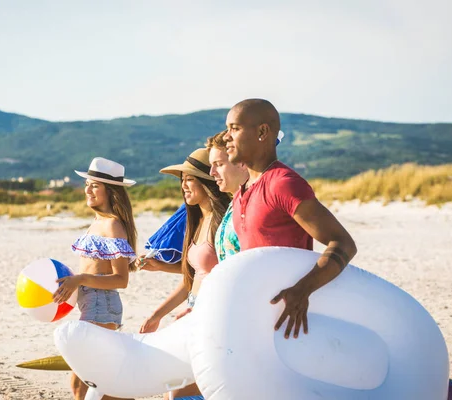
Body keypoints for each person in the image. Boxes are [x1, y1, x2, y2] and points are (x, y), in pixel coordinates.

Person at [223, 99, 358, 339]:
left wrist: (301, 291)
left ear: (263, 131)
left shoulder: (283, 184)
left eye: (234, 128)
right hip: (254, 315)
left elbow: (343, 243)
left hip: (287, 320)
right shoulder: (242, 189)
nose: (226, 137)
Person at [139, 148, 231, 400]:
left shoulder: (222, 224)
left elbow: (227, 277)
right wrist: (156, 315)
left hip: (211, 318)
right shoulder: (198, 221)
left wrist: (202, 312)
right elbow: (192, 280)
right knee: (175, 389)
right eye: (182, 180)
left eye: (190, 179)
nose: (184, 186)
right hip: (191, 316)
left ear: (207, 181)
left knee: (182, 391)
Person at [52, 157, 138, 400]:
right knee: (94, 382)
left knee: (84, 383)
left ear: (111, 192)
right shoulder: (97, 224)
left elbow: (120, 280)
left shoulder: (112, 226)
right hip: (91, 306)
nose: (87, 190)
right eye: (87, 184)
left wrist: (79, 279)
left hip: (102, 308)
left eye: (95, 185)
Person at [206, 130, 249, 261]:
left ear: (242, 162)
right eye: (211, 165)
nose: (211, 172)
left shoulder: (258, 202)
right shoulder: (234, 203)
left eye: (218, 164)